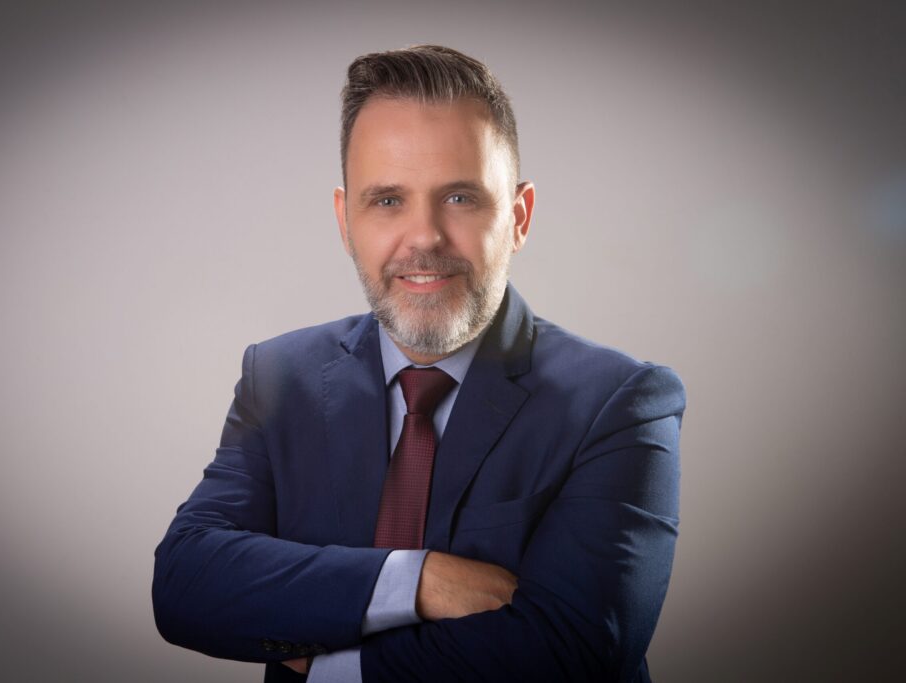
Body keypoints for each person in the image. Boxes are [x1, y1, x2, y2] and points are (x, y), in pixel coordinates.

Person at [152, 45, 685, 682]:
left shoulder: (620, 402)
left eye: (460, 197)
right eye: (386, 200)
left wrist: (327, 668)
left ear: (518, 218)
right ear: (345, 221)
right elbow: (186, 583)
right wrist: (419, 579)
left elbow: (575, 647)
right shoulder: (279, 377)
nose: (425, 236)